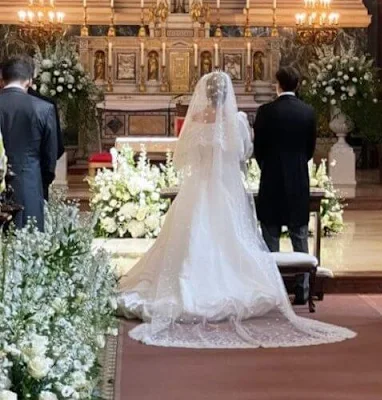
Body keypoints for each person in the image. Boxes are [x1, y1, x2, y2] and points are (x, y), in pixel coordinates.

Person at [117, 71, 355, 348]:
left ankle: (190, 285)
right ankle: (283, 288)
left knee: (193, 237)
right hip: (228, 191)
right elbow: (245, 153)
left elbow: (184, 157)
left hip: (199, 189)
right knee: (237, 238)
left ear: (204, 94)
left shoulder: (194, 119)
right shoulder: (238, 121)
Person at [253, 66, 316, 305]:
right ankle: (302, 290)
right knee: (299, 235)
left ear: (277, 84)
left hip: (271, 179)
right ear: (297, 85)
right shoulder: (307, 111)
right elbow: (310, 149)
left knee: (271, 237)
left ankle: (274, 290)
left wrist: (269, 166)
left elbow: (258, 149)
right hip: (299, 179)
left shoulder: (266, 112)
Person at [0, 57, 58, 231]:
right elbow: (50, 156)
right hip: (29, 183)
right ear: (30, 81)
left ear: (2, 79)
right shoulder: (44, 108)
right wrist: (42, 182)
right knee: (28, 245)